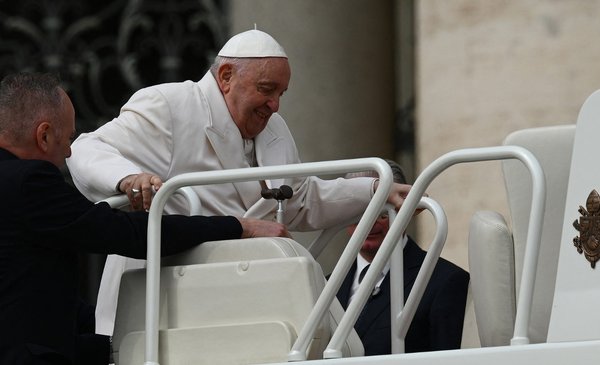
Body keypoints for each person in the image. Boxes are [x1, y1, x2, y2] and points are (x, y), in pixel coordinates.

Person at [66, 29, 415, 336]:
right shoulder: (170, 106)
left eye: (281, 93)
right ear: (226, 76)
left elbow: (300, 199)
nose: (275, 105)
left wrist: (375, 189)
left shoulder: (274, 129)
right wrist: (128, 178)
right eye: (267, 89)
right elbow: (86, 149)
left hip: (239, 298)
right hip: (165, 299)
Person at [0, 72, 288, 365]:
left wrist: (115, 337)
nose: (70, 150)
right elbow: (123, 233)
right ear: (44, 135)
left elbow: (33, 289)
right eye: (69, 138)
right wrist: (237, 226)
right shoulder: (27, 182)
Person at [335, 160, 470, 355]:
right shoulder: (325, 286)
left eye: (381, 213)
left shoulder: (444, 281)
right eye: (358, 213)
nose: (368, 224)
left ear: (405, 211)